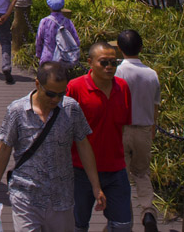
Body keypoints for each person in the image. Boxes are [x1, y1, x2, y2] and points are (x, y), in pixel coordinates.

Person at [0, 61, 106, 231]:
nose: (56, 99)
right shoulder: (17, 111)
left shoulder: (71, 108)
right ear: (37, 84)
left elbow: (83, 145)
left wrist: (96, 186)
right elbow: (4, 147)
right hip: (25, 194)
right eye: (50, 94)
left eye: (61, 94)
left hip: (61, 197)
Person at [67, 42, 133, 232]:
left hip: (115, 168)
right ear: (90, 62)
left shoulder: (123, 87)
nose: (109, 67)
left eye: (114, 62)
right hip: (79, 170)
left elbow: (122, 127)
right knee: (77, 225)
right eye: (104, 62)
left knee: (122, 225)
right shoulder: (75, 88)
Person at [115, 30, 162, 232]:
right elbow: (155, 105)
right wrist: (152, 128)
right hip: (144, 128)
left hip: (122, 130)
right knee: (142, 172)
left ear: (119, 49)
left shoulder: (117, 73)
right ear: (141, 48)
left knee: (122, 176)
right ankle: (148, 211)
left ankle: (124, 218)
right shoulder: (152, 74)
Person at [34, 0, 81, 64]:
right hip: (63, 59)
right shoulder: (68, 21)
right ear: (63, 5)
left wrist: (38, 54)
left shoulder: (44, 21)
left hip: (47, 58)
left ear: (48, 5)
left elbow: (39, 40)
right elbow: (76, 41)